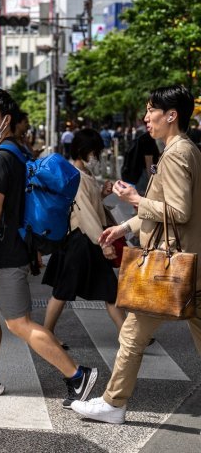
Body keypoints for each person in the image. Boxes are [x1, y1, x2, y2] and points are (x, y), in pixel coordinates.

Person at [0, 90, 98, 409]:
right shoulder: (15, 152)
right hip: (12, 245)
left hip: (5, 251)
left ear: (5, 119)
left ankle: (77, 376)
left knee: (19, 323)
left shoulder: (0, 157)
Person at [72, 84, 201, 425]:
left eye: (151, 111)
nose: (145, 118)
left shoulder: (176, 154)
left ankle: (113, 403)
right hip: (192, 262)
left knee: (131, 334)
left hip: (169, 264)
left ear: (171, 115)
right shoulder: (187, 149)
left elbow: (178, 210)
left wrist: (133, 199)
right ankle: (113, 403)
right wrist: (125, 227)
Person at [42, 129, 125, 339]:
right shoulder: (75, 175)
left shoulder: (84, 175)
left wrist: (102, 194)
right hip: (81, 240)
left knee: (108, 290)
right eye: (94, 153)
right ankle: (46, 335)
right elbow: (85, 213)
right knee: (63, 291)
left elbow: (89, 204)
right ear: (83, 150)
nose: (95, 158)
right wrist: (104, 243)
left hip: (86, 239)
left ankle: (128, 336)